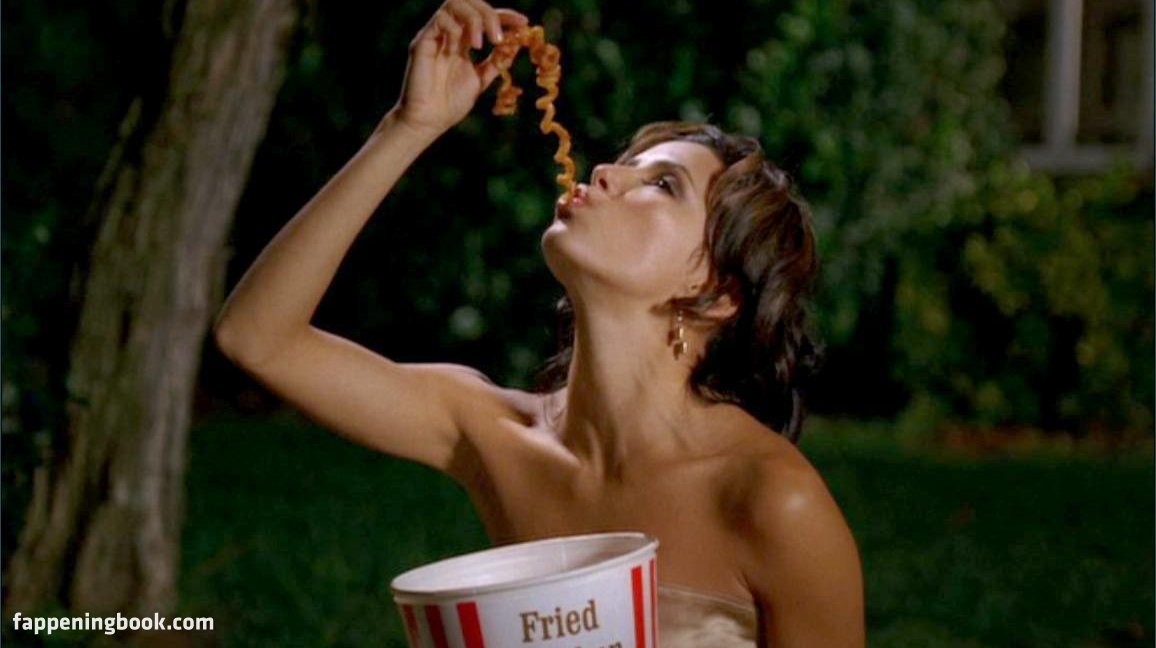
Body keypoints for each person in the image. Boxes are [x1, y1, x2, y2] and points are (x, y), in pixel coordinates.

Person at [213, 0, 866, 645]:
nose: (605, 173)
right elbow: (255, 337)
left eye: (663, 185)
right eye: (627, 163)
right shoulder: (495, 435)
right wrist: (409, 126)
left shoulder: (772, 501)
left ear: (717, 290)